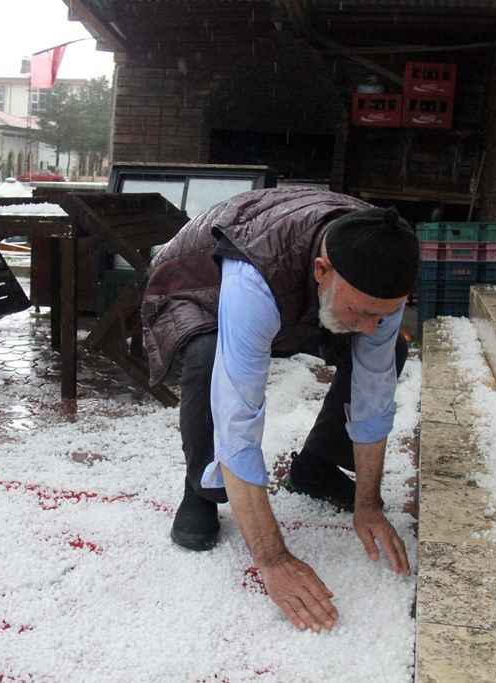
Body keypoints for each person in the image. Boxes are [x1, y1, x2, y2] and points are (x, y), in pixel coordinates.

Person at [140, 186, 418, 633]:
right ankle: (202, 490)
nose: (372, 326)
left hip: (299, 294)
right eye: (363, 312)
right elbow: (238, 416)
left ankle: (316, 467)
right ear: (322, 271)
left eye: (381, 315)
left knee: (389, 354)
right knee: (211, 358)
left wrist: (369, 504)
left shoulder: (381, 264)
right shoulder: (253, 279)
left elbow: (373, 395)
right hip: (195, 287)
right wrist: (273, 558)